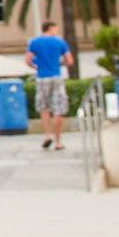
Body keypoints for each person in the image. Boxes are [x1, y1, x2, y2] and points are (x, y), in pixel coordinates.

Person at [26, 21, 74, 150]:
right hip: (56, 77)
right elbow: (69, 61)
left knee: (44, 107)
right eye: (55, 29)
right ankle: (58, 142)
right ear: (50, 28)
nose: (56, 31)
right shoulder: (60, 42)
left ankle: (48, 135)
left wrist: (36, 66)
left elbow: (28, 60)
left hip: (42, 77)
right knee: (59, 109)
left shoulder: (34, 42)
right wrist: (59, 63)